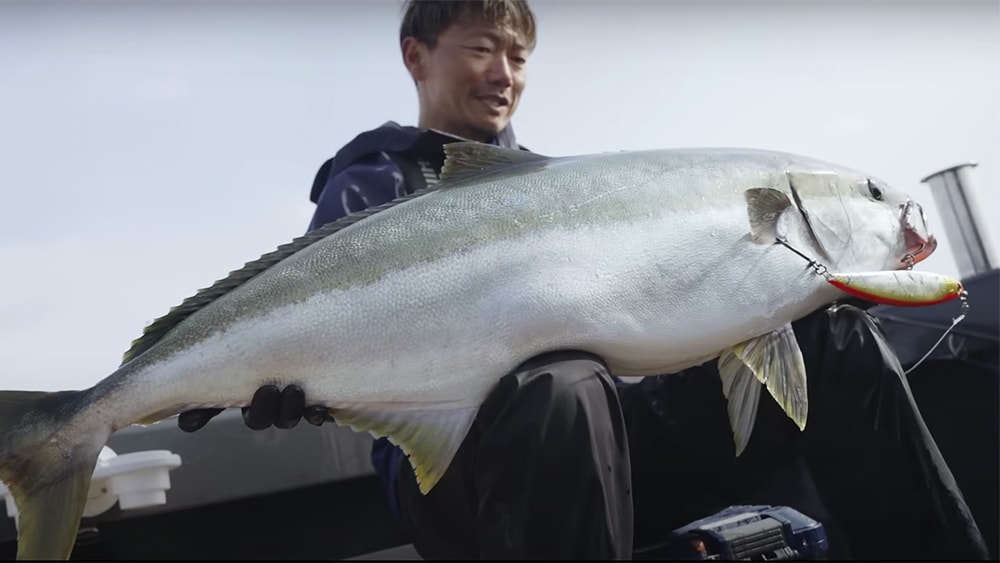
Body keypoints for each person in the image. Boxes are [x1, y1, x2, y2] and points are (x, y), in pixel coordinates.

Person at [178, 1, 991, 560]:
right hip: (461, 480)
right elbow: (321, 322)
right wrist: (281, 378)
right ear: (416, 54)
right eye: (480, 47)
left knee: (834, 339)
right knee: (564, 384)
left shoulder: (553, 189)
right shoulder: (366, 186)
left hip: (600, 450)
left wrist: (787, 293)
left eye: (518, 54)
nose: (503, 71)